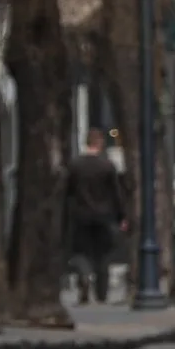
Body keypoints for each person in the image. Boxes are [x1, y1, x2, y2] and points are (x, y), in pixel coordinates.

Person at [64, 128, 129, 305]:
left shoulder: (75, 165)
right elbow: (116, 193)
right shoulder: (107, 166)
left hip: (81, 215)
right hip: (104, 215)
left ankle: (84, 277)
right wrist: (121, 216)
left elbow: (67, 191)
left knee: (80, 252)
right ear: (99, 143)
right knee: (103, 255)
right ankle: (101, 293)